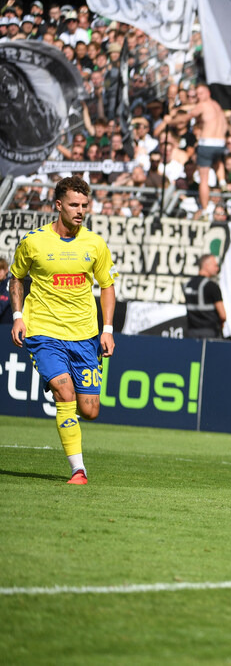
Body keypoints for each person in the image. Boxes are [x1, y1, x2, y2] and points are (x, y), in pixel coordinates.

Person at [9, 177, 117, 484]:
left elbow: (108, 285)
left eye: (85, 205)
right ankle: (78, 470)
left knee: (90, 409)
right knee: (63, 391)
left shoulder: (94, 244)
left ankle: (74, 434)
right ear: (58, 205)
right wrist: (18, 316)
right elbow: (16, 278)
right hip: (43, 330)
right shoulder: (33, 241)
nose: (81, 211)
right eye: (74, 205)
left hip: (84, 334)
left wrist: (107, 330)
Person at [183, 83, 228, 213]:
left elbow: (188, 116)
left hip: (207, 142)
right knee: (217, 161)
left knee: (204, 179)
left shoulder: (202, 105)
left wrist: (171, 120)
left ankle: (204, 209)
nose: (198, 96)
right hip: (220, 143)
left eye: (200, 93)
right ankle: (222, 180)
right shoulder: (217, 106)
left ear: (208, 93)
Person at [183, 254, 226, 339]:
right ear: (206, 265)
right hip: (210, 333)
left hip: (192, 333)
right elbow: (223, 315)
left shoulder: (188, 285)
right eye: (215, 265)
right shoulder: (212, 286)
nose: (217, 269)